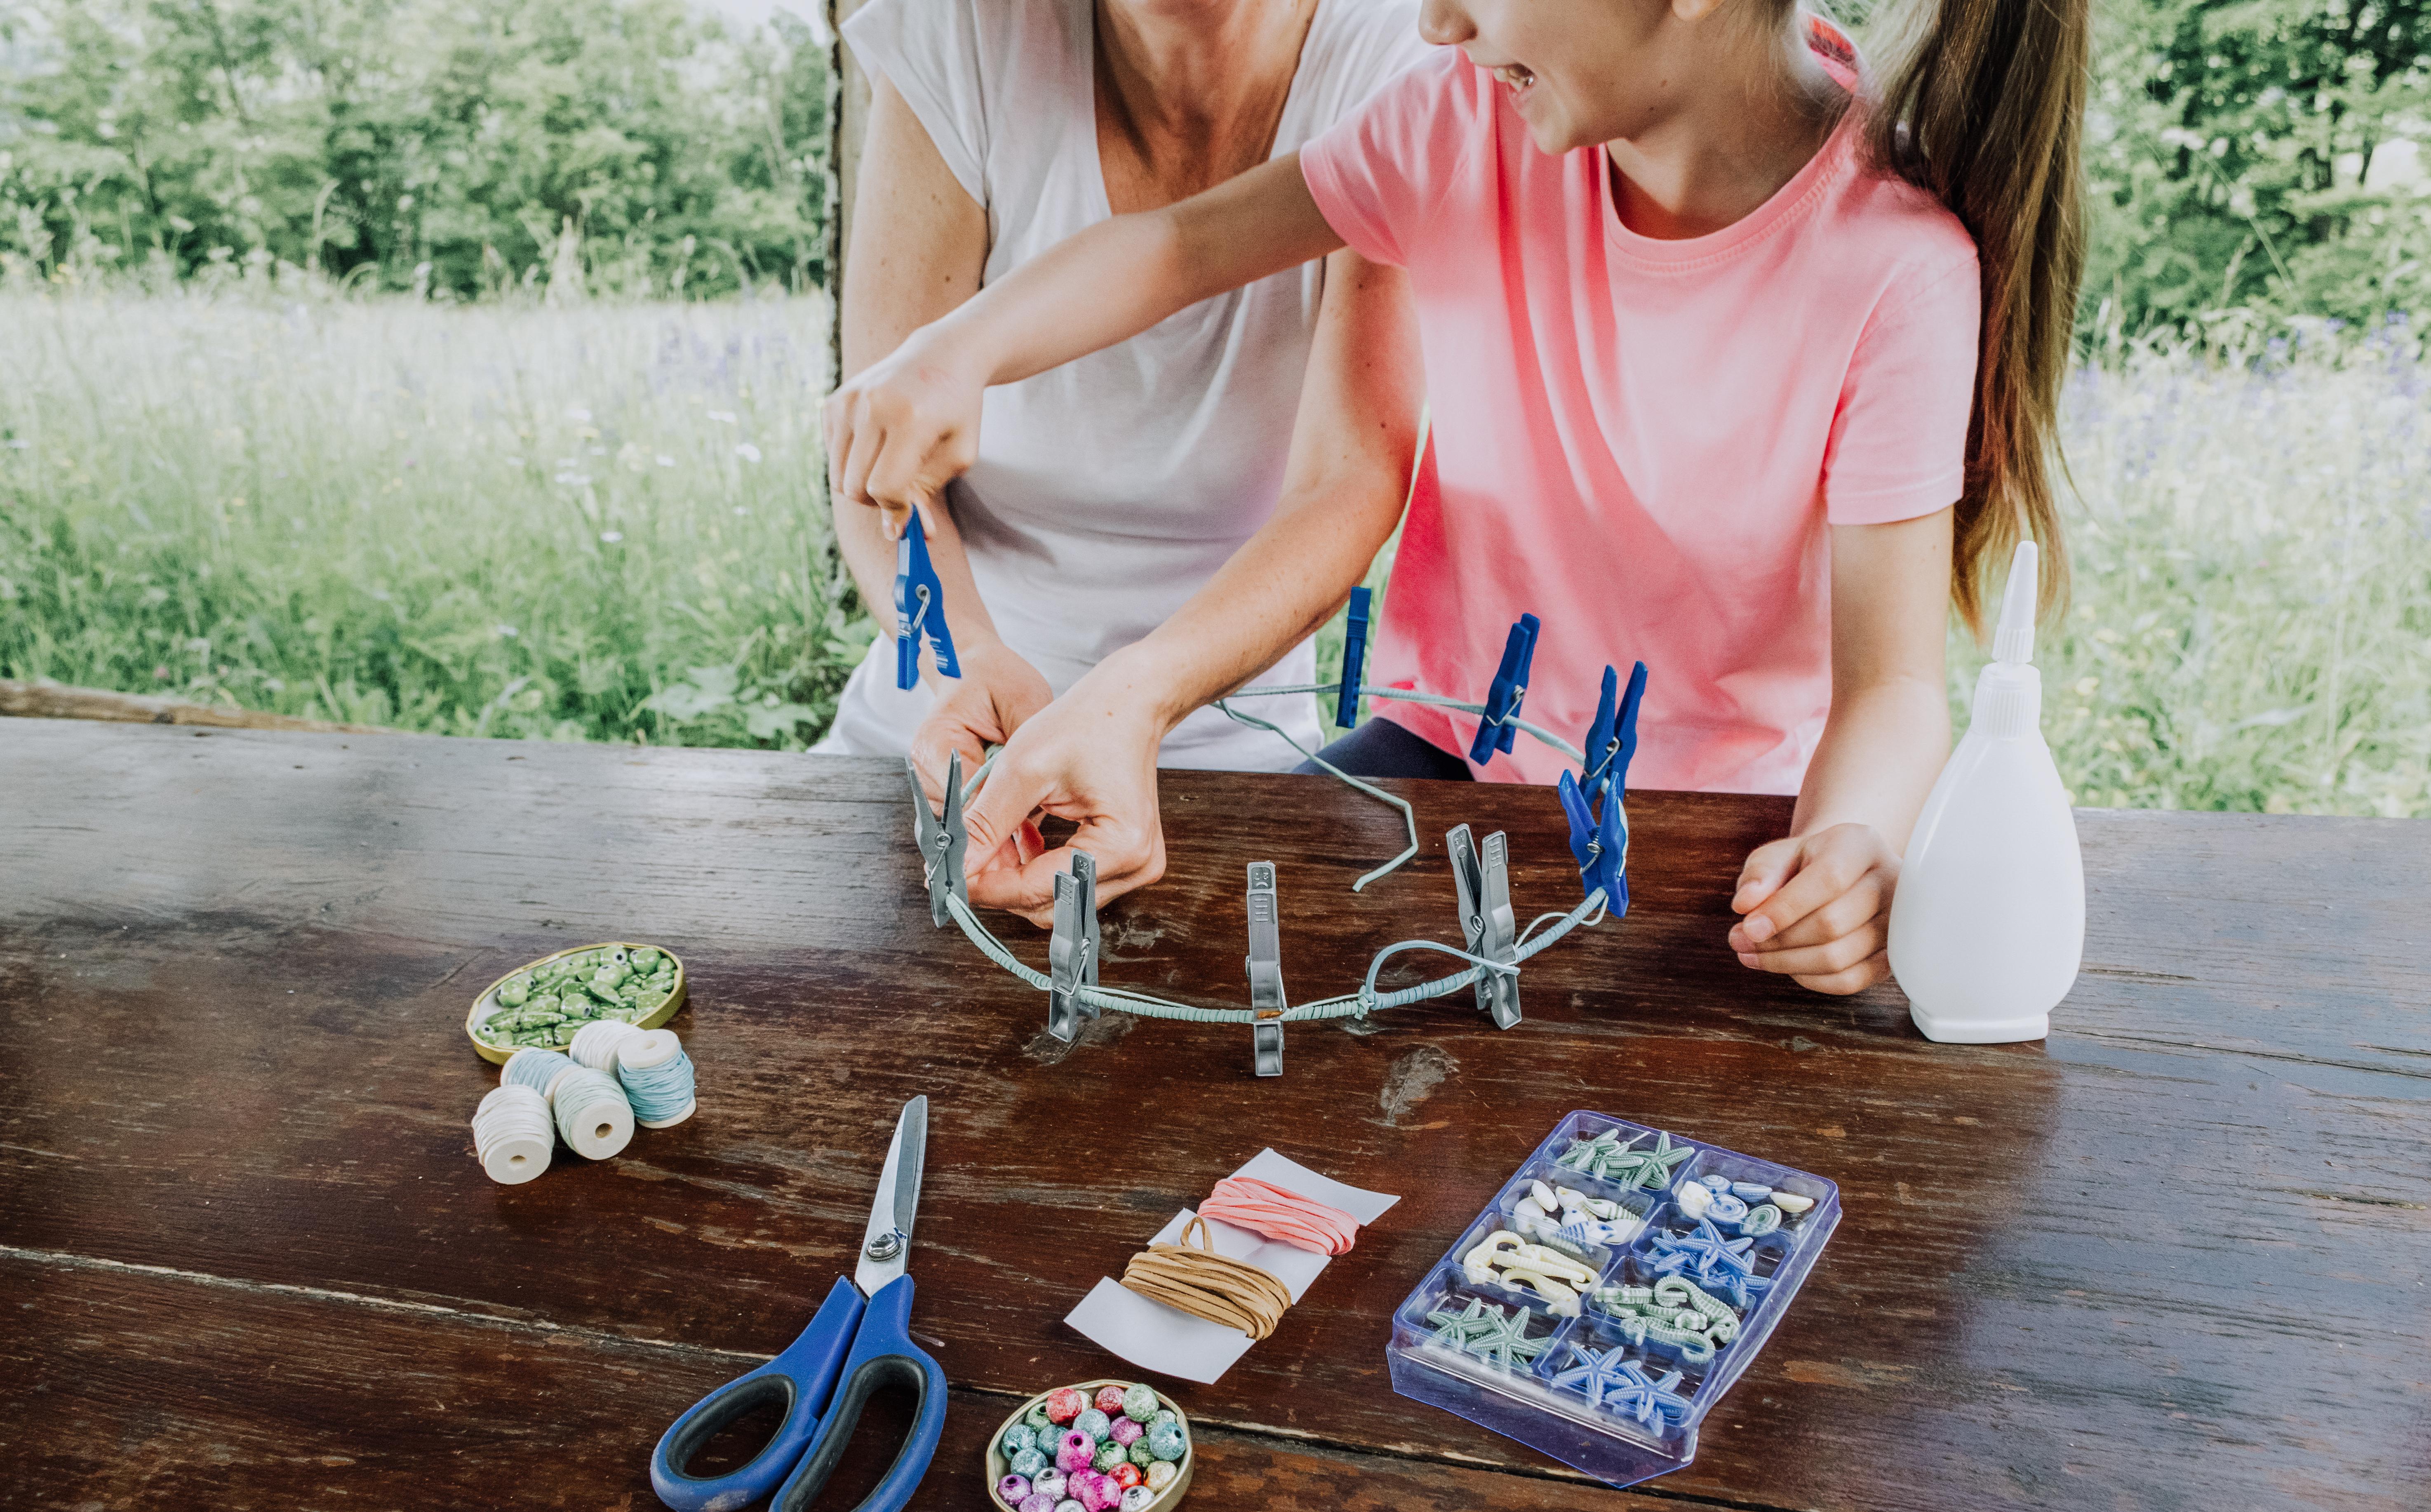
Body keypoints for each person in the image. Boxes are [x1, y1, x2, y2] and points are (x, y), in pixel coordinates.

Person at [826, 0, 2087, 995]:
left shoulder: (1899, 270)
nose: (1433, 25)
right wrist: (962, 348)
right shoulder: (1461, 124)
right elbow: (1181, 248)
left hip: (1726, 831)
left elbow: (1894, 688)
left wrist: (1856, 846)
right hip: (1439, 760)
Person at [816, 0, 1432, 902]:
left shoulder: (1409, 57)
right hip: (944, 741)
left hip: (1236, 760)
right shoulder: (960, 31)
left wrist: (1135, 699)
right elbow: (877, 464)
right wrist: (967, 666)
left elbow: (1351, 480)